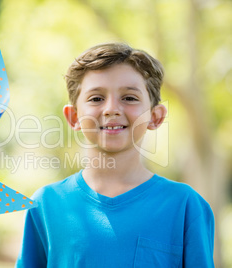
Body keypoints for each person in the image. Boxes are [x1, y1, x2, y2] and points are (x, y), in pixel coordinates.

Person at [15, 43, 214, 267]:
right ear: (74, 117)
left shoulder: (185, 205)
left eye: (129, 98)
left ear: (155, 117)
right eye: (96, 98)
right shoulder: (46, 204)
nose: (111, 109)